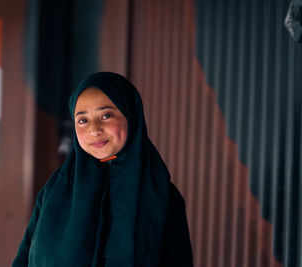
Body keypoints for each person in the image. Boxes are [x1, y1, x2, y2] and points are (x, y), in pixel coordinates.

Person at [12, 72, 193, 266]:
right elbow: (24, 257)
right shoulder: (56, 189)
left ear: (131, 115)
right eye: (83, 120)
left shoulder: (162, 195)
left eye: (106, 115)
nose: (94, 130)